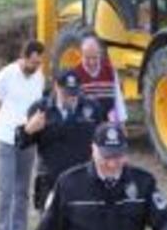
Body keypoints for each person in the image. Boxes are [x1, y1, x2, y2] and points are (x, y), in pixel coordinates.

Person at [35, 123, 167, 230]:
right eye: (106, 157)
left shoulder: (143, 183)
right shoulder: (69, 183)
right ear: (93, 149)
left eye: (118, 156)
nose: (112, 164)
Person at [15, 69, 103, 212]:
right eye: (66, 93)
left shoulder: (92, 108)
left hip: (83, 180)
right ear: (56, 86)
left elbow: (101, 141)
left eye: (74, 93)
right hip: (51, 181)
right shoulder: (40, 108)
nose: (71, 98)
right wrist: (28, 130)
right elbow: (21, 143)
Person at [0, 40, 46, 230]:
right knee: (6, 191)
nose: (35, 67)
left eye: (39, 63)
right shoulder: (6, 75)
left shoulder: (39, 77)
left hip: (27, 141)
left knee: (22, 191)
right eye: (32, 63)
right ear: (23, 57)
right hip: (5, 140)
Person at [74, 36, 128, 124]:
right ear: (81, 55)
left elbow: (118, 100)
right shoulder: (76, 74)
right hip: (86, 124)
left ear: (99, 54)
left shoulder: (109, 70)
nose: (91, 62)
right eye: (87, 58)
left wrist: (122, 123)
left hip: (108, 124)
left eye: (95, 57)